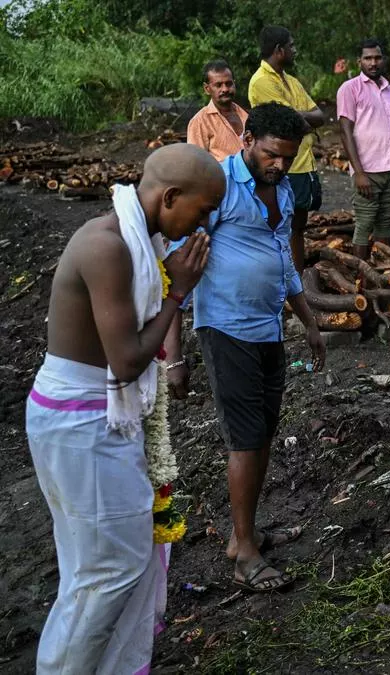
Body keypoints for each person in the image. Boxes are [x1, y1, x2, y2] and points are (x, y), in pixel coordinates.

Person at [27, 144, 221, 675]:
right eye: (203, 210)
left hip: (96, 417)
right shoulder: (107, 246)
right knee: (107, 571)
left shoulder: (140, 240)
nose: (206, 222)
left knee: (109, 563)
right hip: (80, 421)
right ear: (170, 196)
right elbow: (130, 359)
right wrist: (178, 291)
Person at [165, 104, 325, 594]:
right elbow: (179, 269)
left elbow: (284, 260)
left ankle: (247, 533)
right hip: (226, 328)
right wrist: (174, 354)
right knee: (245, 440)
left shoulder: (283, 189)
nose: (280, 165)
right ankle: (243, 555)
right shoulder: (217, 188)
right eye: (273, 155)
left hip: (269, 330)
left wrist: (309, 322)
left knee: (262, 435)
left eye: (289, 158)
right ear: (248, 139)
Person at [249, 26, 326, 273]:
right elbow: (288, 125)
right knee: (279, 225)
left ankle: (296, 282)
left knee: (298, 226)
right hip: (281, 166)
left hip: (302, 162)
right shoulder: (261, 81)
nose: (295, 50)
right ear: (279, 50)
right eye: (291, 46)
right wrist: (300, 120)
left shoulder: (291, 81)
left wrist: (298, 118)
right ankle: (278, 278)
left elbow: (318, 115)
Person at [336, 39, 390, 261]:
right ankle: (361, 277)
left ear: (383, 60)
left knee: (385, 224)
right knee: (365, 223)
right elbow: (345, 132)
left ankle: (382, 273)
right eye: (368, 58)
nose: (373, 62)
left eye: (377, 58)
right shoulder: (350, 88)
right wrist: (358, 172)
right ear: (359, 61)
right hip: (367, 172)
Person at [187, 60, 249, 162]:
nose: (225, 89)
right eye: (218, 85)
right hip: (219, 178)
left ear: (234, 84)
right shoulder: (200, 121)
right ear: (207, 89)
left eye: (229, 84)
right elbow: (196, 163)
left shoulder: (245, 115)